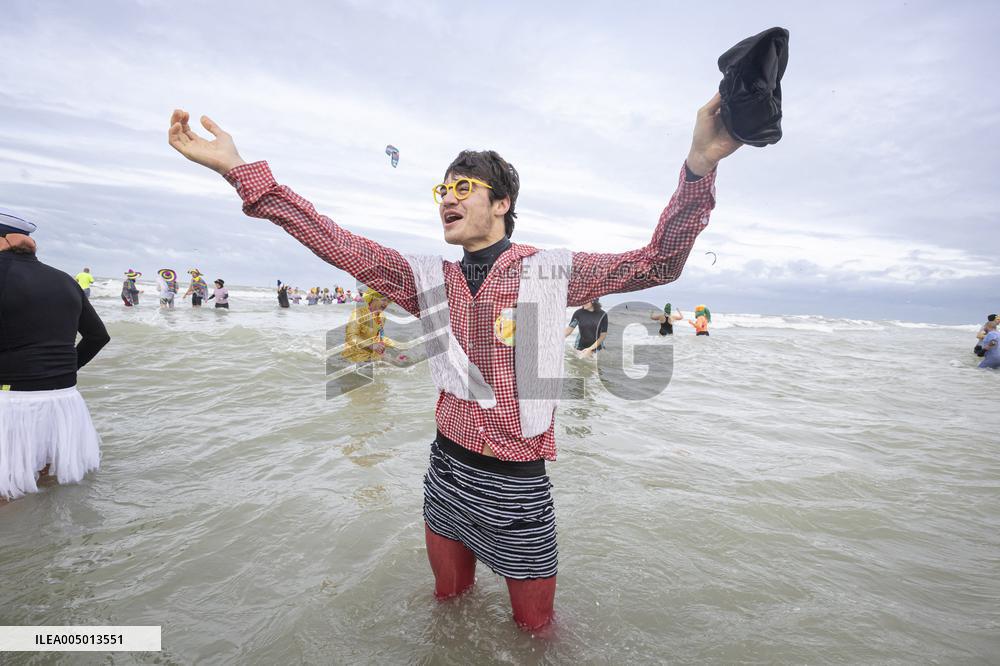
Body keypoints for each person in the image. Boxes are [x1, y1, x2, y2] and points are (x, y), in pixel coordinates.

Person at [168, 89, 739, 629]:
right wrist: (238, 171)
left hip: (518, 487)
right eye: (441, 189)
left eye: (464, 186)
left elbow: (658, 264)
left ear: (503, 202)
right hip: (445, 476)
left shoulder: (551, 269)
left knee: (537, 632)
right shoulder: (426, 277)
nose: (448, 197)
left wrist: (699, 166)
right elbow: (334, 241)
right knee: (447, 611)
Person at [0, 212, 109, 502]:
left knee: (5, 493)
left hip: (9, 402)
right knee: (43, 483)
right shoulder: (64, 279)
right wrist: (58, 370)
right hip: (64, 401)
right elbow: (98, 336)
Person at [342, 288, 396, 362]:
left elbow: (379, 338)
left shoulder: (382, 317)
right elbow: (351, 337)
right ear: (373, 298)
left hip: (371, 355)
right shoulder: (358, 313)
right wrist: (371, 345)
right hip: (354, 357)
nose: (386, 304)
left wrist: (396, 348)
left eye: (388, 301)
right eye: (383, 300)